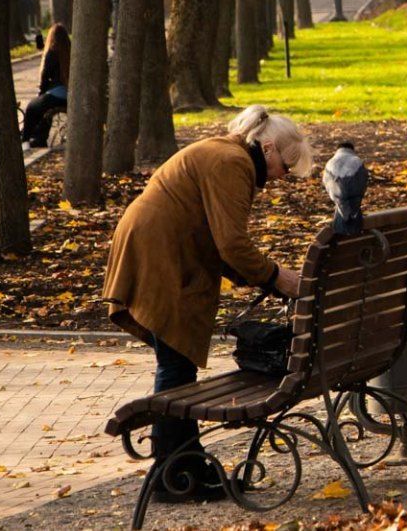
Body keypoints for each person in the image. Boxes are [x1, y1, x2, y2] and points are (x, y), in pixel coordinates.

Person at [102, 105, 313, 503]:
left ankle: (184, 467)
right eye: (284, 166)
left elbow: (220, 237)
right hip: (158, 253)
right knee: (174, 360)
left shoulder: (230, 155)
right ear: (267, 147)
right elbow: (232, 243)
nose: (281, 177)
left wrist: (256, 275)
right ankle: (175, 474)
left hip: (164, 248)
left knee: (176, 361)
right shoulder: (232, 163)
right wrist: (277, 277)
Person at [20, 23, 70, 148]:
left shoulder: (51, 53)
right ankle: (39, 138)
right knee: (43, 108)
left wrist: (41, 93)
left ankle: (25, 139)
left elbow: (44, 78)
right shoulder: (70, 52)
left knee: (32, 107)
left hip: (55, 94)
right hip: (68, 96)